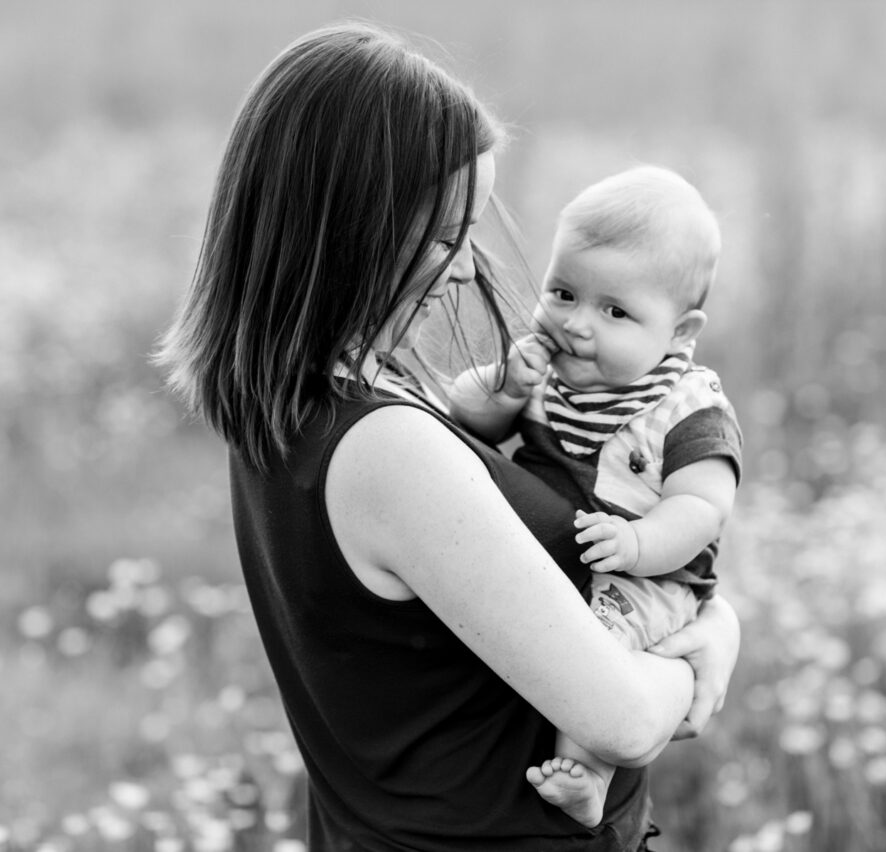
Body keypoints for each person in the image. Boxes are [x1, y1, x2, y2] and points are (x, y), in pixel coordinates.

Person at [157, 22, 740, 851]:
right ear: (347, 233)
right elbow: (622, 721)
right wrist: (707, 644)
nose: (467, 269)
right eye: (441, 238)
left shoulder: (303, 408)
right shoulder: (384, 452)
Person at [449, 166, 742, 827]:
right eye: (562, 292)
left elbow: (702, 508)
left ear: (680, 331)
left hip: (649, 579)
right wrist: (503, 386)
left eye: (615, 311)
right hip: (575, 563)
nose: (577, 324)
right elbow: (466, 419)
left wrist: (639, 543)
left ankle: (589, 775)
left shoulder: (687, 408)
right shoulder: (545, 372)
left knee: (601, 648)